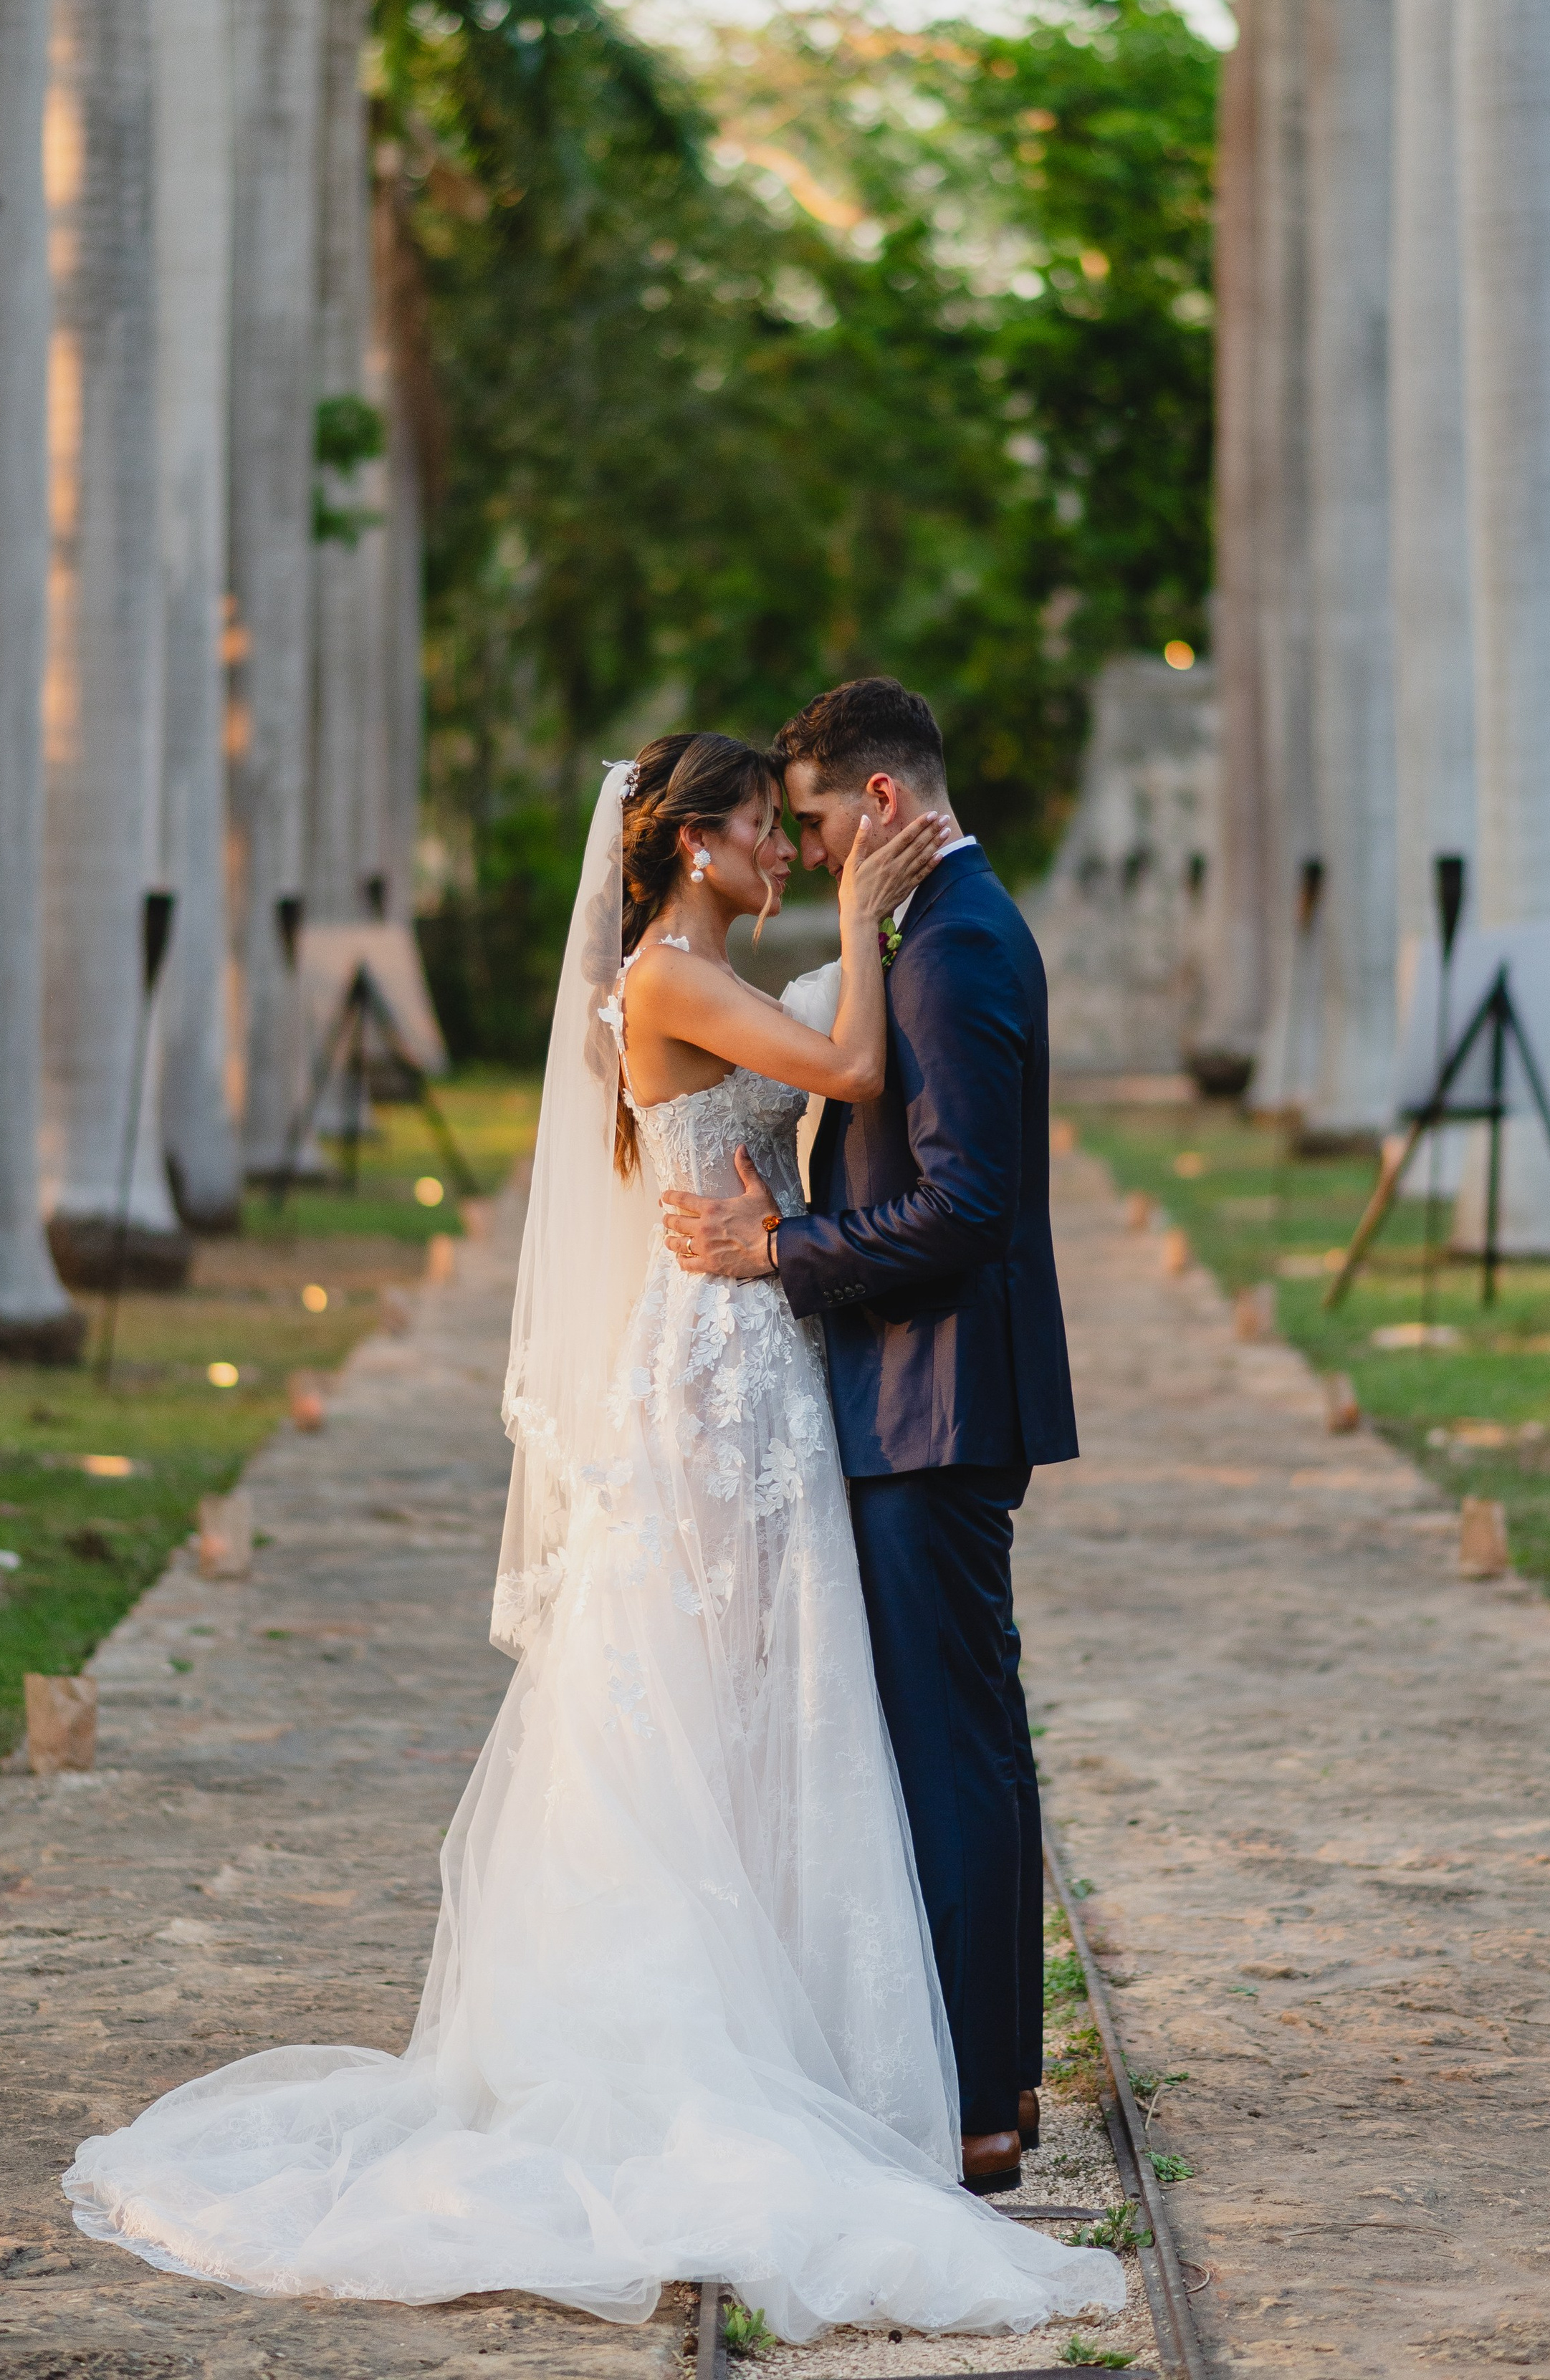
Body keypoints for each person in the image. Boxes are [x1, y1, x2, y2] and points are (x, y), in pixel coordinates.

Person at [63, 732, 1121, 2348]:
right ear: (691, 844)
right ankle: (731, 2040)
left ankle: (814, 2036)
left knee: (763, 1707)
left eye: (805, 829)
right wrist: (858, 931)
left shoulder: (709, 967)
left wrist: (840, 1000)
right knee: (702, 1697)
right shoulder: (673, 981)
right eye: (768, 831)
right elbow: (846, 1074)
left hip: (767, 1352)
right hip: (718, 1373)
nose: (792, 855)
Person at [661, 678, 1073, 2195]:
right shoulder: (931, 924)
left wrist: (783, 1251)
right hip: (920, 1391)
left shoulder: (956, 943)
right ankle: (997, 2079)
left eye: (821, 821)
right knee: (969, 1739)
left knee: (953, 1748)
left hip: (934, 1398)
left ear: (881, 806)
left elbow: (965, 1205)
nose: (815, 850)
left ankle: (971, 2103)